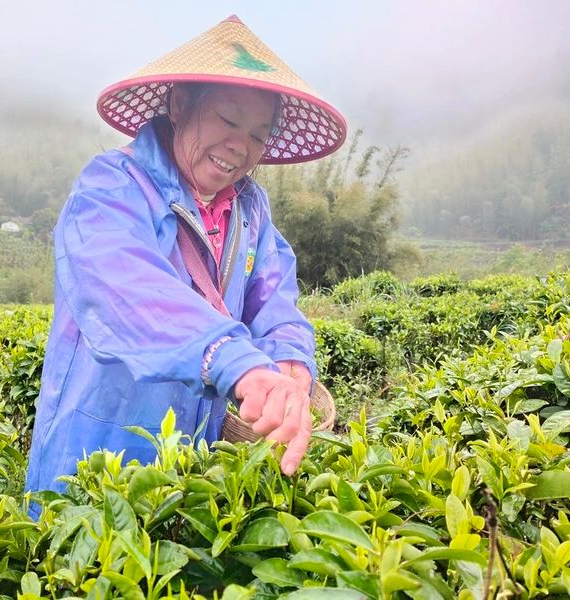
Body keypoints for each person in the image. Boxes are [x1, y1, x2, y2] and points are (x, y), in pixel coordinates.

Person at [25, 15, 346, 508]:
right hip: (95, 459)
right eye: (227, 119)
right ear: (179, 104)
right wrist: (235, 361)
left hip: (191, 471)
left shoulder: (249, 209)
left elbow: (274, 297)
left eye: (259, 133)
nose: (241, 147)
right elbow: (127, 292)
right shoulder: (111, 189)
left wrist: (288, 363)